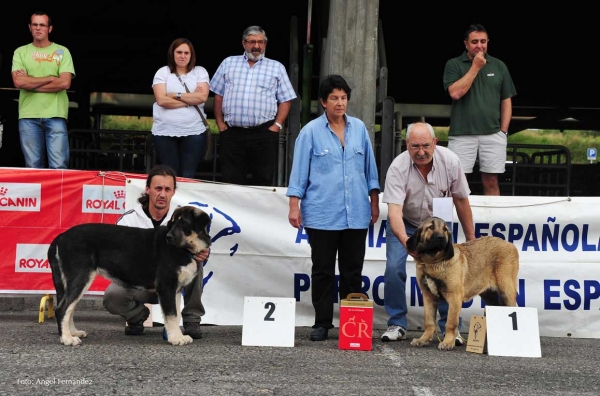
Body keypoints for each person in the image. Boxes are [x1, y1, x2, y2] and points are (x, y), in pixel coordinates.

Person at [286, 74, 380, 341]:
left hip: (357, 213)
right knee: (323, 269)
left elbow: (370, 170)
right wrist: (294, 205)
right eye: (334, 98)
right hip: (321, 213)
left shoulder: (360, 128)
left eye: (343, 98)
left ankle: (352, 323)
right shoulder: (309, 132)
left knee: (353, 270)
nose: (340, 103)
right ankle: (322, 323)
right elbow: (298, 173)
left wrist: (374, 201)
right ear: (323, 102)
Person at [381, 122, 476, 344]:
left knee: (446, 275)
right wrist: (406, 241)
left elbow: (461, 200)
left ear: (435, 143)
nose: (421, 151)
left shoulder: (451, 161)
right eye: (415, 146)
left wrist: (471, 239)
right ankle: (396, 323)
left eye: (425, 145)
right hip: (407, 223)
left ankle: (449, 330)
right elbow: (394, 211)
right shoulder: (397, 167)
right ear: (407, 145)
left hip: (439, 229)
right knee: (394, 268)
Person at [103, 164, 209, 338]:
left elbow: (201, 243)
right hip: (143, 283)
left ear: (173, 192)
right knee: (113, 295)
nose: (162, 194)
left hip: (175, 283)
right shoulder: (129, 220)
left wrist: (203, 253)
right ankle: (137, 316)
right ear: (147, 189)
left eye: (168, 189)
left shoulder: (184, 217)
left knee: (195, 262)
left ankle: (192, 319)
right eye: (158, 188)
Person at [210, 25, 297, 186]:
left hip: (264, 134)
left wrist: (276, 126)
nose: (256, 46)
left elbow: (286, 99)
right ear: (244, 43)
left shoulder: (276, 67)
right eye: (252, 42)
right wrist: (220, 124)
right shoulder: (228, 63)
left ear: (265, 44)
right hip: (232, 133)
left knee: (263, 179)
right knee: (231, 180)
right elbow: (218, 95)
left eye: (260, 42)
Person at [443, 23, 517, 196]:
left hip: (493, 134)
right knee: (455, 182)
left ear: (488, 42)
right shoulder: (453, 64)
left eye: (483, 41)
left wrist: (503, 131)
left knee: (491, 181)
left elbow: (506, 100)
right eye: (474, 41)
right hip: (462, 134)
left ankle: (493, 222)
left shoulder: (499, 66)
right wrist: (475, 66)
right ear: (466, 44)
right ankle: (452, 223)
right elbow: (455, 93)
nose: (479, 45)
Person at [11, 10, 75, 169]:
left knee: (59, 166)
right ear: (29, 27)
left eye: (42, 25)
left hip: (56, 114)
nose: (38, 28)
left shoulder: (62, 51)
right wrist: (51, 77)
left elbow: (65, 83)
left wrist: (30, 84)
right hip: (28, 116)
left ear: (50, 29)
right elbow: (19, 82)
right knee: (33, 167)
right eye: (35, 24)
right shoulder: (20, 52)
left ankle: (57, 195)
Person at [151, 38, 210, 179]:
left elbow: (202, 98)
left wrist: (175, 95)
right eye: (179, 52)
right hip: (164, 132)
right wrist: (190, 98)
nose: (182, 56)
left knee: (188, 175)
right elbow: (161, 100)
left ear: (191, 55)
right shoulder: (162, 72)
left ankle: (183, 202)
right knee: (169, 175)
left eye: (186, 53)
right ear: (172, 53)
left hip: (194, 132)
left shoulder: (200, 72)